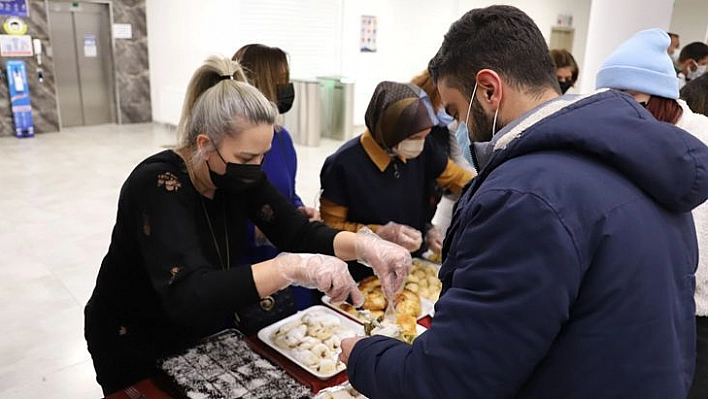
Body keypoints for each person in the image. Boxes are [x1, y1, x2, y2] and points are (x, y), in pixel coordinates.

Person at [339, 6, 708, 398]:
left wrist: (365, 354)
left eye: (455, 112)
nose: (459, 129)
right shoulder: (645, 161)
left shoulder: (524, 197)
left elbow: (451, 381)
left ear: (489, 90)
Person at [84, 55, 411, 395]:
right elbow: (189, 292)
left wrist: (363, 245)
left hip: (197, 329)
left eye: (262, 156)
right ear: (204, 144)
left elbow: (296, 231)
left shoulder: (237, 176)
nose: (256, 168)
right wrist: (290, 268)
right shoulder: (158, 185)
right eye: (245, 158)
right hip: (133, 336)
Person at [594, 30, 708, 399]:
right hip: (644, 310)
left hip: (698, 314)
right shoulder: (633, 141)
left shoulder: (699, 141)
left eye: (628, 104)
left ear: (653, 100)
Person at [319, 81, 474, 274]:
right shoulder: (343, 165)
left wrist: (427, 230)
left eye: (425, 137)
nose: (421, 144)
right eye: (415, 138)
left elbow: (459, 179)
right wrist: (378, 234)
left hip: (411, 263)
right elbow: (329, 230)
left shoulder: (426, 148)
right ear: (390, 132)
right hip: (363, 271)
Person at [232, 43, 318, 309]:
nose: (287, 87)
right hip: (246, 268)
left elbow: (287, 194)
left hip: (283, 257)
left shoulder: (281, 139)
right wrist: (261, 230)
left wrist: (298, 211)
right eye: (282, 81)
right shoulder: (230, 147)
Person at [410, 69, 475, 236]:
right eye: (442, 104)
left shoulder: (441, 132)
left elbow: (451, 171)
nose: (446, 112)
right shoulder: (419, 134)